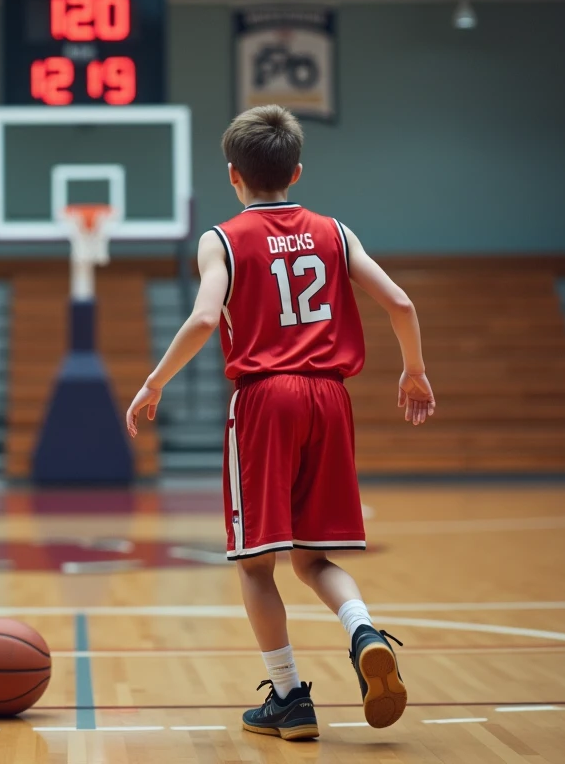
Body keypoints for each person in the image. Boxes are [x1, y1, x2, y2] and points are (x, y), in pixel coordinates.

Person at [125, 105, 435, 740]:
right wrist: (414, 371)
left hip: (266, 400)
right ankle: (364, 632)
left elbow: (207, 319)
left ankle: (290, 696)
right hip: (330, 397)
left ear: (233, 176)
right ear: (295, 171)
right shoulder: (335, 231)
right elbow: (400, 301)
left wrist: (154, 382)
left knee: (256, 563)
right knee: (313, 556)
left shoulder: (222, 238)